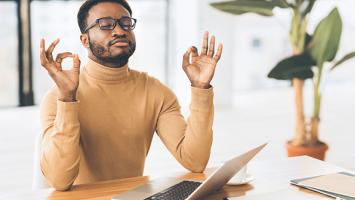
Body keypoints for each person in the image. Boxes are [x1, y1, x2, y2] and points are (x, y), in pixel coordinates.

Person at [39, 0, 223, 191]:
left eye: (125, 23)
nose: (119, 31)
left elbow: (195, 160)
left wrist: (200, 88)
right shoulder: (57, 98)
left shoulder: (155, 91)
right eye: (106, 24)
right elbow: (59, 181)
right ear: (85, 40)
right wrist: (68, 98)